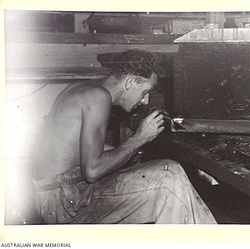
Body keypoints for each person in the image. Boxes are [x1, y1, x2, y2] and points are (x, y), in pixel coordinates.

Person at [32, 49, 217, 224]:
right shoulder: (98, 97)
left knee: (167, 172)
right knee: (169, 178)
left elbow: (77, 150)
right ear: (129, 82)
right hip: (64, 201)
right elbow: (92, 171)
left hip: (56, 192)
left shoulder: (85, 88)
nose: (144, 101)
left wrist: (129, 153)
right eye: (145, 92)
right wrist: (139, 139)